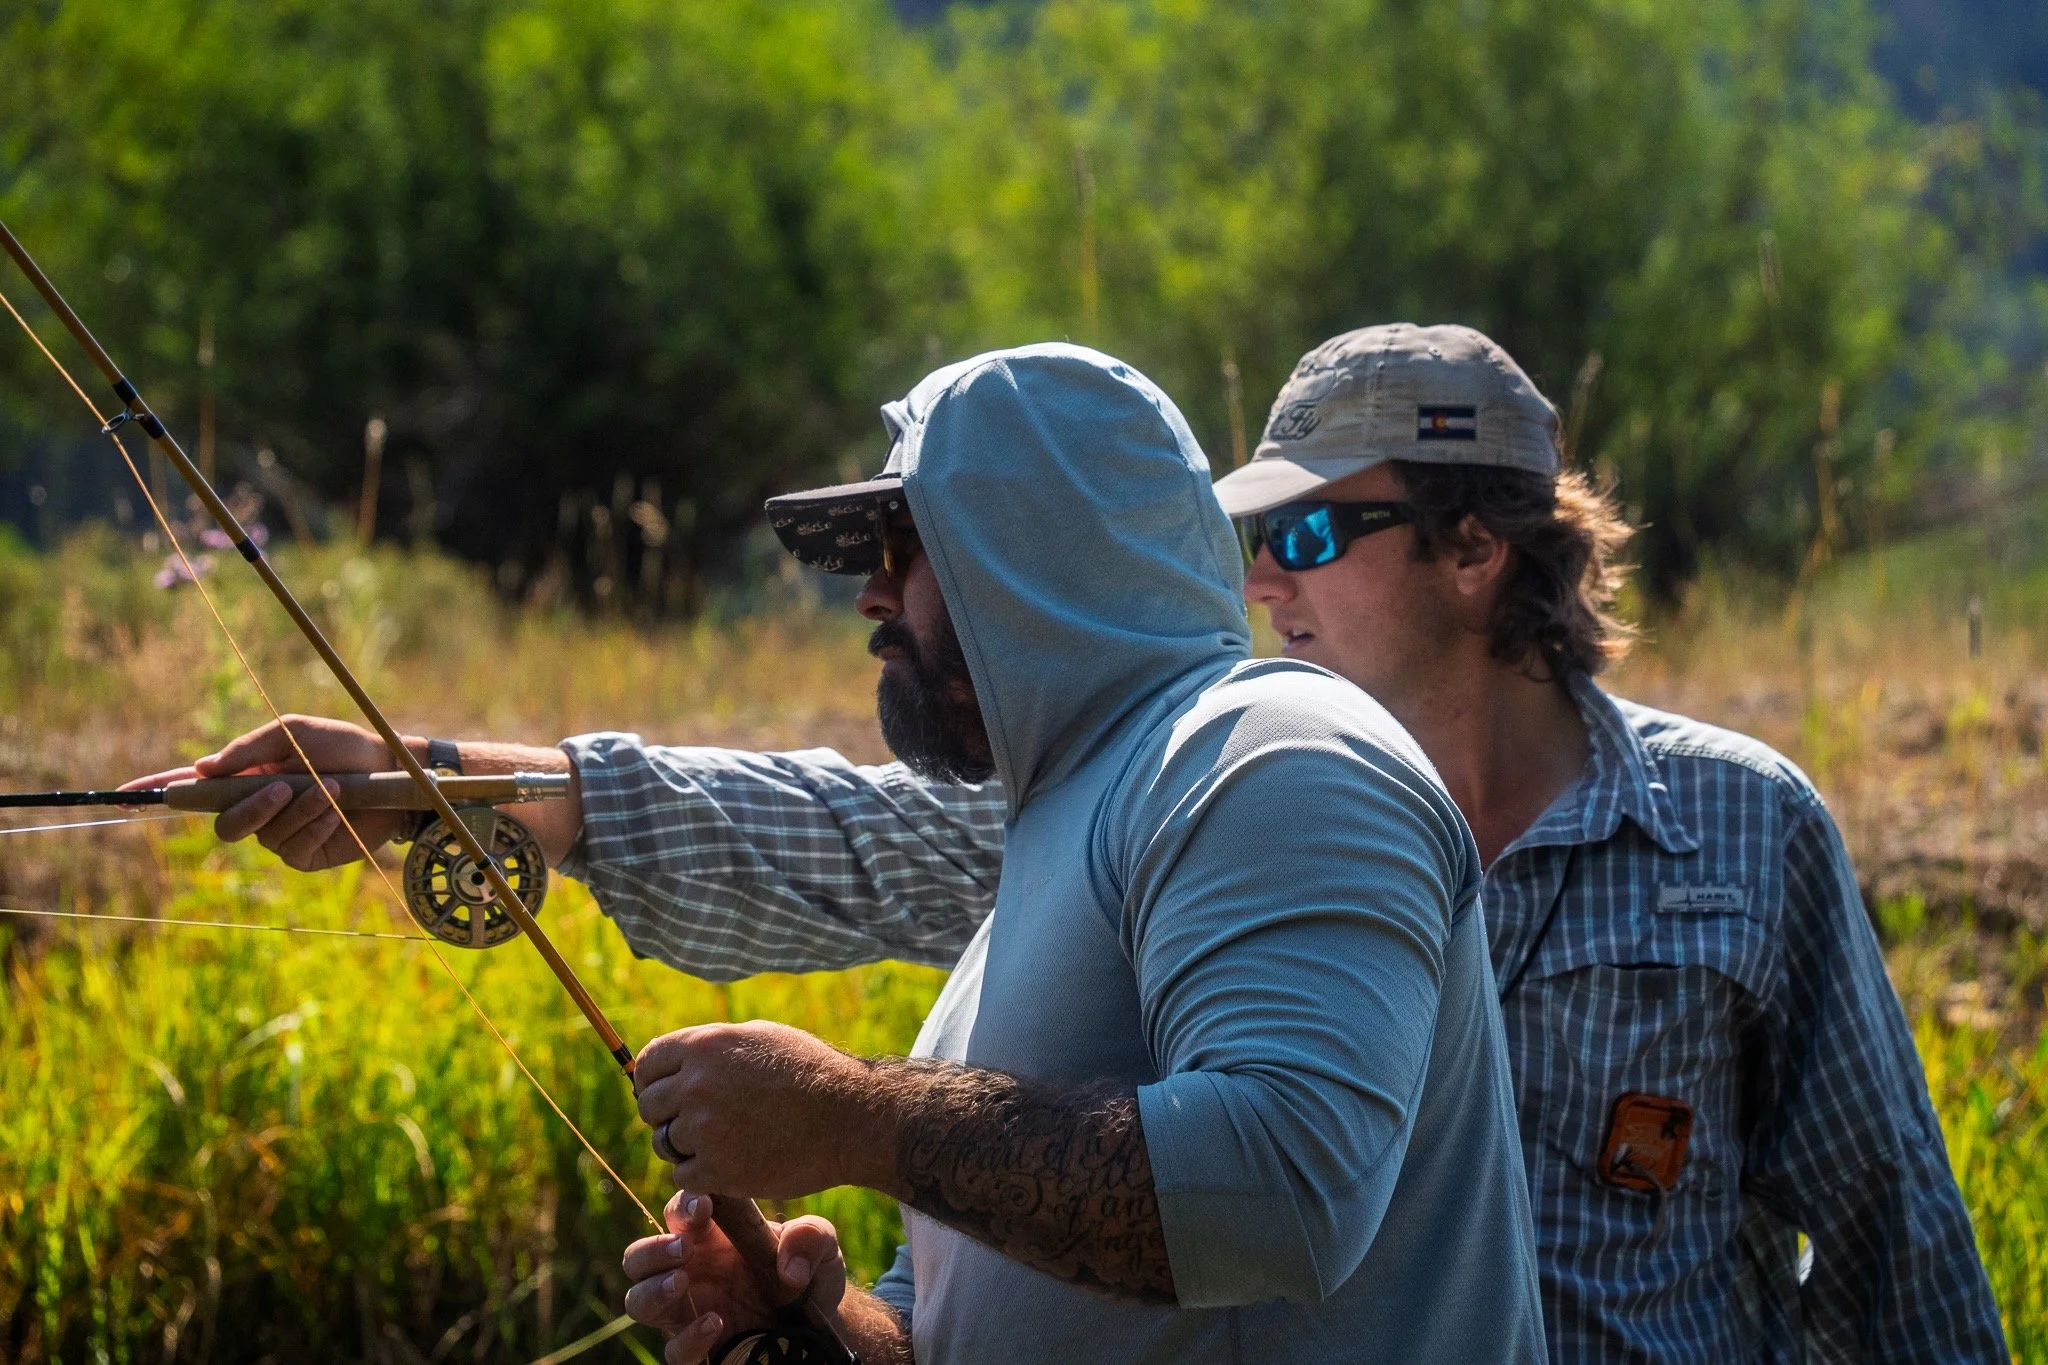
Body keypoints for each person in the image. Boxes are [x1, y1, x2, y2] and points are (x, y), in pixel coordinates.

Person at [153, 344, 1544, 1364]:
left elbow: (1282, 1196)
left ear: (1030, 547)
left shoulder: (1273, 752)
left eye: (900, 538)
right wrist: (835, 1329)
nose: (870, 595)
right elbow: (1002, 1311)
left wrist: (849, 1119)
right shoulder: (1054, 836)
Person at [1214, 323, 2009, 1363]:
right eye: (1255, 537)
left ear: (1470, 547)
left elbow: (1889, 1229)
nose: (1265, 581)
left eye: (1307, 535)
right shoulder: (1244, 818)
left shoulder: (1746, 828)